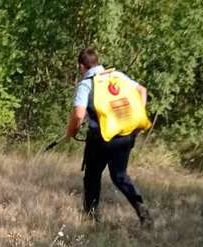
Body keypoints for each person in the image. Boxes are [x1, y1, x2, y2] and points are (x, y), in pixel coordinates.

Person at [64, 48, 152, 226]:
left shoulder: (87, 83)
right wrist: (138, 116)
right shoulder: (117, 76)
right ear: (97, 62)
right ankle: (143, 211)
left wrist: (71, 132)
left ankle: (91, 219)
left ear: (82, 66)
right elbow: (142, 90)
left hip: (100, 139)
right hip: (125, 134)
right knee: (120, 176)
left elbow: (79, 114)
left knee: (92, 177)